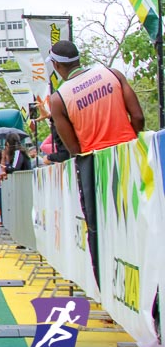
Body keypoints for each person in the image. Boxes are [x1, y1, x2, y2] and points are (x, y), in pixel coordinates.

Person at [47, 39, 144, 287]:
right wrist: (127, 140)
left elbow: (73, 148)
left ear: (57, 65)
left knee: (99, 229)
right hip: (130, 154)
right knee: (141, 222)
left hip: (94, 167)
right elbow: (139, 117)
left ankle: (107, 290)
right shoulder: (111, 73)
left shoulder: (58, 99)